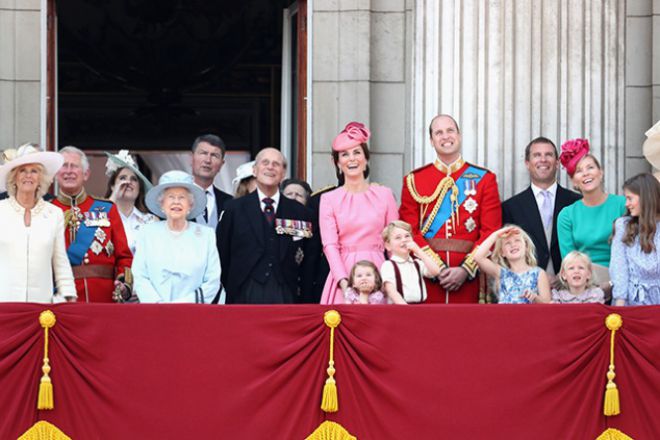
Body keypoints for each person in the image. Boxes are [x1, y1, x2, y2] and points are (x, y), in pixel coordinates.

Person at [399, 114, 502, 303]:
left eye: (450, 131)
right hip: (427, 275)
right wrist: (436, 268)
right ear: (431, 141)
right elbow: (408, 231)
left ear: (459, 136)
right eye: (439, 133)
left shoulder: (484, 179)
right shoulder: (414, 180)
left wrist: (465, 269)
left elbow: (491, 232)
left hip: (469, 278)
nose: (445, 136)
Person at [218, 148, 314, 304]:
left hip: (286, 293)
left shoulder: (300, 212)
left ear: (283, 174)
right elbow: (223, 253)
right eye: (265, 163)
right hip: (243, 292)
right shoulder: (233, 209)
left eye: (276, 164)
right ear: (255, 170)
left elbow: (308, 256)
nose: (270, 167)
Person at [319, 122, 399, 304]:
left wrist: (393, 280)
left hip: (380, 271)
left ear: (366, 158)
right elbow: (330, 245)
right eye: (344, 154)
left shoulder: (385, 194)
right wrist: (344, 282)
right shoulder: (329, 199)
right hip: (344, 273)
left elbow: (393, 242)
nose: (351, 159)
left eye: (357, 152)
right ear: (337, 163)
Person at [52, 146, 133, 303]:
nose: (69, 171)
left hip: (103, 297)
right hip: (61, 297)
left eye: (74, 166)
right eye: (64, 166)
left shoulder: (107, 208)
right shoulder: (47, 211)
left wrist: (124, 283)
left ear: (86, 174)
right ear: (56, 174)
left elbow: (124, 256)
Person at [0, 144, 76, 303]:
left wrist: (68, 296)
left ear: (41, 178)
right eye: (22, 171)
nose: (28, 176)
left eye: (34, 171)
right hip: (5, 304)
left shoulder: (54, 214)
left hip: (41, 307)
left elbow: (60, 261)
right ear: (14, 177)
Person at [132, 170, 220, 303]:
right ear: (162, 204)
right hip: (154, 311)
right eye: (171, 197)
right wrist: (158, 304)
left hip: (193, 312)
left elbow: (212, 280)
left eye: (182, 197)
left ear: (190, 205)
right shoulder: (147, 233)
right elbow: (140, 275)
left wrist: (184, 304)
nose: (176, 202)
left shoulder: (206, 235)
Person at [501, 137, 581, 282]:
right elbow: (507, 251)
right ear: (527, 163)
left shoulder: (577, 202)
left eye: (549, 155)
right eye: (537, 155)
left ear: (557, 163)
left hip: (571, 287)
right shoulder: (510, 207)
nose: (543, 160)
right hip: (528, 288)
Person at [557, 139, 626, 293]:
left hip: (622, 279)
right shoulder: (567, 215)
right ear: (574, 181)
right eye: (579, 170)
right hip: (583, 285)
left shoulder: (622, 205)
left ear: (600, 173)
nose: (586, 173)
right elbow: (570, 260)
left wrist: (613, 283)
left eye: (590, 167)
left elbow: (634, 249)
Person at [611, 173, 660, 306]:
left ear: (646, 198)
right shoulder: (623, 226)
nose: (626, 204)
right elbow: (619, 267)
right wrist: (620, 304)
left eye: (630, 198)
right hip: (633, 301)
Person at [473, 226, 551, 304]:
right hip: (505, 316)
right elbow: (478, 257)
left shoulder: (539, 273)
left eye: (517, 240)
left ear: (526, 246)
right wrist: (496, 234)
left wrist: (535, 298)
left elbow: (547, 305)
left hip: (529, 316)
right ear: (502, 252)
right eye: (507, 243)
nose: (513, 245)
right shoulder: (501, 273)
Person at [104, 150, 158, 255]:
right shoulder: (102, 216)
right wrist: (114, 195)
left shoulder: (150, 221)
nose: (128, 182)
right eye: (122, 178)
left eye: (134, 179)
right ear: (112, 186)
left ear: (139, 188)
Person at [380, 221, 442, 304]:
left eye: (407, 236)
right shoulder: (388, 265)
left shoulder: (417, 263)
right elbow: (391, 291)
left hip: (420, 308)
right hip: (400, 308)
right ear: (388, 245)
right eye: (398, 238)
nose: (404, 240)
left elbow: (436, 271)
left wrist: (419, 251)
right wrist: (406, 310)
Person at [191, 134, 233, 230]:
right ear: (192, 158)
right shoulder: (177, 199)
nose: (208, 160)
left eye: (214, 155)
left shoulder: (230, 203)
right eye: (203, 153)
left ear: (222, 164)